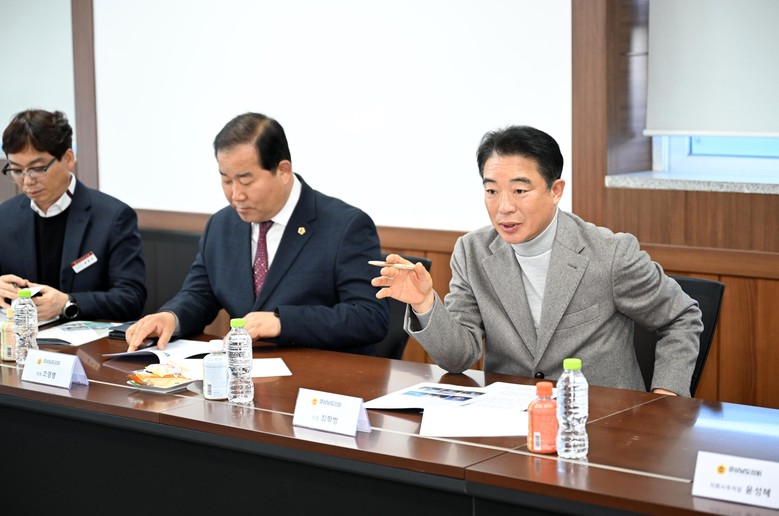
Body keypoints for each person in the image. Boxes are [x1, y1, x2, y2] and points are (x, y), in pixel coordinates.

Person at [373, 125, 703, 396]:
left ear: (555, 190)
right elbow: (459, 358)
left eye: (519, 191)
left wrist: (665, 398)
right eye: (492, 191)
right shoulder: (472, 252)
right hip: (509, 422)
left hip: (602, 421)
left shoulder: (609, 253)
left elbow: (681, 317)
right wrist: (424, 303)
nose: (504, 207)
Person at [126, 112, 388, 354]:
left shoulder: (345, 226)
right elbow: (200, 294)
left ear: (283, 171)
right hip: (243, 375)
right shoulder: (222, 225)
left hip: (324, 378)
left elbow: (369, 316)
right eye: (226, 180)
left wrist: (281, 322)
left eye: (246, 181)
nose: (236, 195)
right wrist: (171, 317)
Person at [0, 109, 146, 322]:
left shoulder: (113, 217)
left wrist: (67, 303)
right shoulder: (5, 216)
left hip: (89, 339)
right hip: (20, 336)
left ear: (68, 158)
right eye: (16, 170)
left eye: (37, 168)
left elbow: (131, 298)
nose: (27, 180)